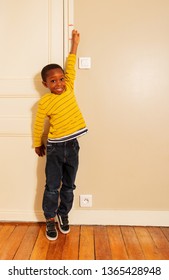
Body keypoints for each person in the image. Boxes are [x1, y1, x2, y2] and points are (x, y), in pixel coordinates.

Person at [33, 30, 87, 241]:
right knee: (52, 186)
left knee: (69, 185)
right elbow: (39, 124)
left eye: (61, 79)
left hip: (72, 146)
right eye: (53, 81)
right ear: (46, 84)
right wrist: (38, 143)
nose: (59, 84)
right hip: (55, 148)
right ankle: (49, 219)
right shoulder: (45, 102)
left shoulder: (70, 88)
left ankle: (63, 214)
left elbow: (71, 66)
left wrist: (75, 45)